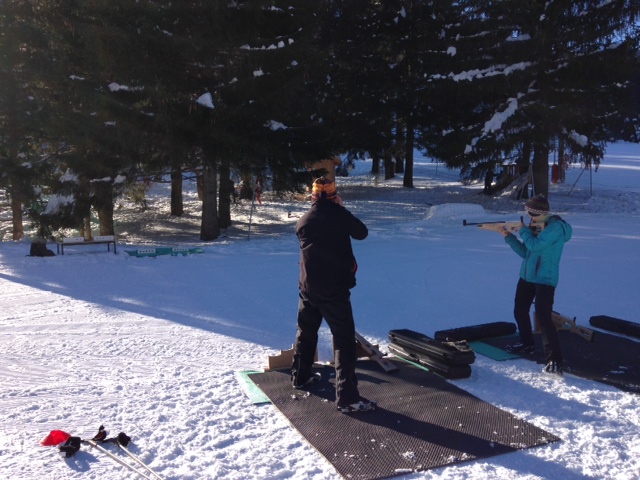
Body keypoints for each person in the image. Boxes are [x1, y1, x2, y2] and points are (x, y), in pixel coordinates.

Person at [292, 177, 376, 413]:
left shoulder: (304, 220)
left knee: (306, 333)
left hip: (307, 287)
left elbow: (306, 234)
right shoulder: (339, 215)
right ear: (334, 195)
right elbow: (361, 232)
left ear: (313, 196)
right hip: (334, 289)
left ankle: (300, 377)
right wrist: (340, 208)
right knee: (344, 341)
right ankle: (348, 398)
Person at [501, 194, 572, 375]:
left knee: (544, 317)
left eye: (532, 213)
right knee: (519, 310)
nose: (530, 217)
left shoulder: (555, 228)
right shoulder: (537, 226)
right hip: (527, 276)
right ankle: (527, 344)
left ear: (541, 213)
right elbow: (526, 252)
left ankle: (554, 359)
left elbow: (534, 245)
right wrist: (508, 236)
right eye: (528, 213)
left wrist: (523, 230)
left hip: (545, 279)